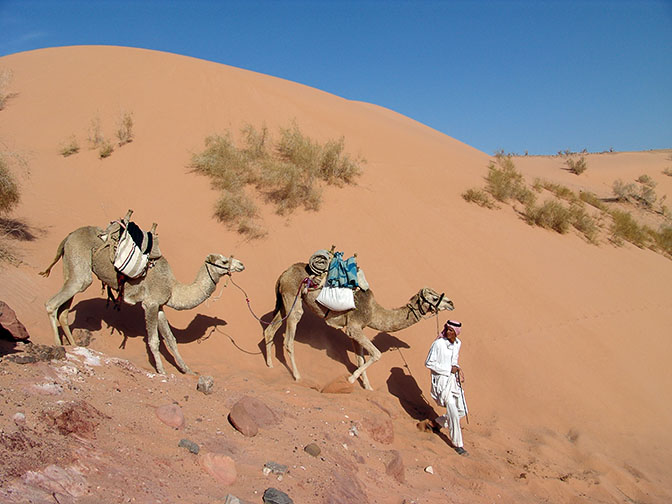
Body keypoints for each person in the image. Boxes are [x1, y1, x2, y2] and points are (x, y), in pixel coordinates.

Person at [425, 319, 469, 456]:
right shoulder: (438, 344)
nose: (448, 332)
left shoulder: (458, 344)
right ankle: (458, 444)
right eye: (447, 329)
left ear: (456, 333)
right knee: (454, 413)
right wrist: (448, 369)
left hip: (452, 382)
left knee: (463, 410)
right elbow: (429, 363)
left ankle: (437, 423)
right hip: (441, 382)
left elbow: (454, 360)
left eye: (451, 331)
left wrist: (456, 368)